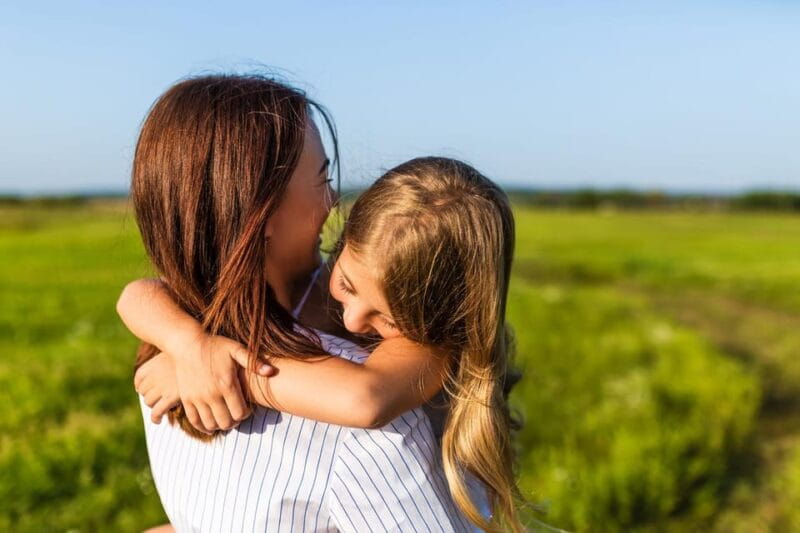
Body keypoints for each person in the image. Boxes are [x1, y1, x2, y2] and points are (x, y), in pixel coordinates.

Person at [123, 73, 490, 532]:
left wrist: (218, 369)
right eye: (321, 179)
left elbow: (366, 397)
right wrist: (190, 348)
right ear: (261, 213)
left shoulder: (166, 365)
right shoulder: (178, 342)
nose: (334, 200)